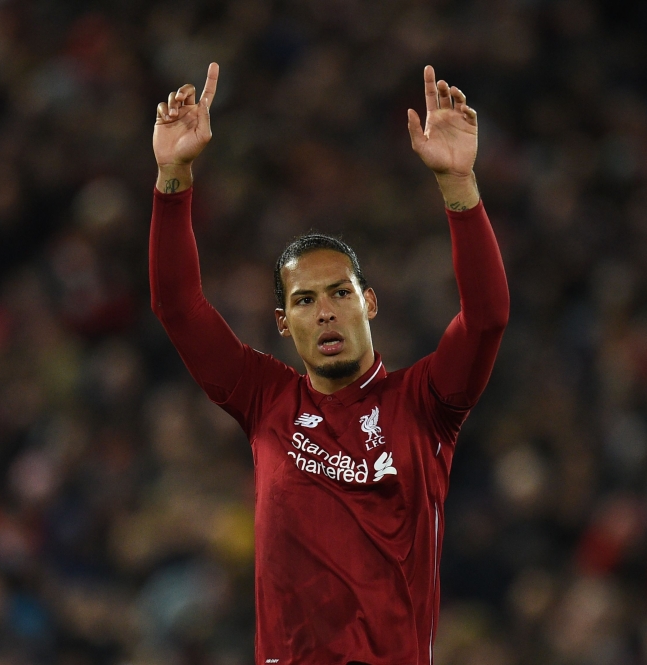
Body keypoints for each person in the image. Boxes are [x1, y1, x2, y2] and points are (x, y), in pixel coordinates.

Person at [149, 62, 509, 665]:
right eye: (304, 300)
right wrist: (173, 174)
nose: (325, 313)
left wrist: (459, 187)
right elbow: (178, 308)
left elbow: (487, 318)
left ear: (368, 302)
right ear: (284, 322)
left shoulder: (427, 404)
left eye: (340, 293)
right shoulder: (265, 400)